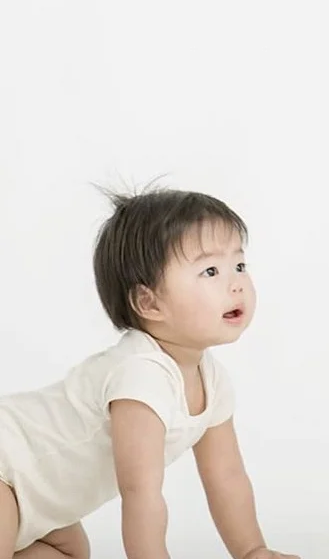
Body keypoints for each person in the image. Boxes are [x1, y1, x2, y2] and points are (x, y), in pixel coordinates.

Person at [0, 188, 299, 559]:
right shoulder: (141, 374)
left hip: (37, 502)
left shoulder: (212, 380)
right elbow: (140, 493)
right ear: (148, 302)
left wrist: (252, 550)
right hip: (6, 469)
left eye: (239, 265)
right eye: (210, 271)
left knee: (70, 553)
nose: (236, 283)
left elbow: (226, 477)